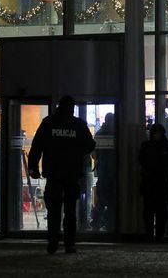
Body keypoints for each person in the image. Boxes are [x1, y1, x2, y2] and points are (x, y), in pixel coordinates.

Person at [28, 95, 96, 254]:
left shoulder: (48, 123)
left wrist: (33, 168)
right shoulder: (78, 124)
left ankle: (52, 242)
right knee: (70, 211)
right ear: (72, 108)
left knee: (53, 211)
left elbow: (37, 146)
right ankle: (69, 244)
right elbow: (89, 146)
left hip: (53, 173)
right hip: (72, 173)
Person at [139, 123, 168, 241]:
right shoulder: (165, 146)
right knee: (152, 210)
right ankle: (152, 233)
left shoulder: (149, 146)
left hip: (156, 182)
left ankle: (158, 233)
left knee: (159, 211)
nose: (156, 135)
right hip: (154, 182)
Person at [91, 112, 115, 232]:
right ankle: (108, 224)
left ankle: (96, 223)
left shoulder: (99, 133)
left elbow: (94, 154)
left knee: (101, 201)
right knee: (110, 201)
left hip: (103, 172)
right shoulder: (117, 133)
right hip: (111, 174)